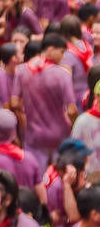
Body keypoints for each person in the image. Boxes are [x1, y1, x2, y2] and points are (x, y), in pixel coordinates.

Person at [11, 33, 79, 168]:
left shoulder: (22, 70)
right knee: (59, 178)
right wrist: (75, 125)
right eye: (61, 52)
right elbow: (71, 110)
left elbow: (14, 103)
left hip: (34, 135)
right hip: (60, 134)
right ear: (50, 49)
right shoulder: (62, 74)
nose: (63, 56)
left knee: (37, 179)